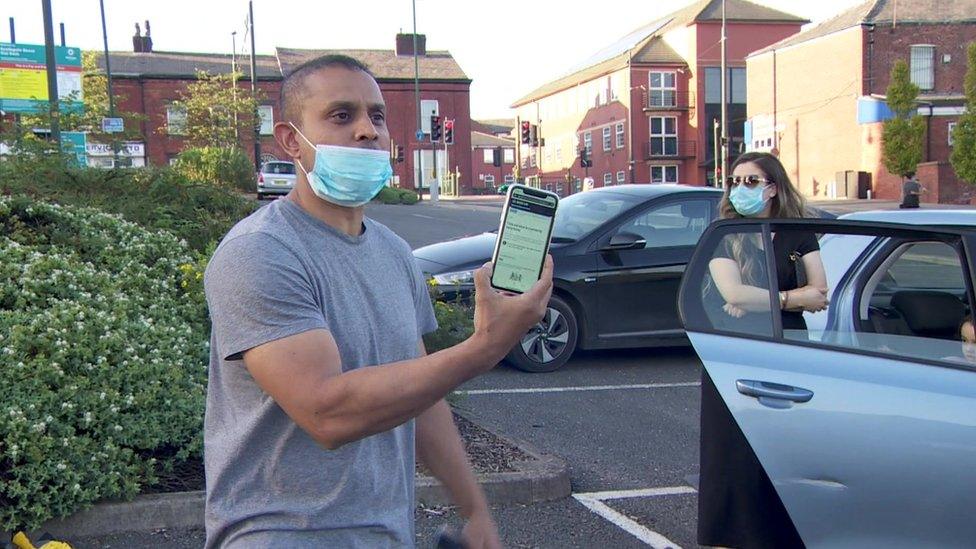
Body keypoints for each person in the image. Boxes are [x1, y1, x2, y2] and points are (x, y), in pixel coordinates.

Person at [202, 54, 553, 548]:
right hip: (281, 533)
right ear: (290, 142)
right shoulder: (259, 252)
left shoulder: (392, 252)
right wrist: (486, 346)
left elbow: (422, 397)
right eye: (342, 116)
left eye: (378, 116)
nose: (368, 130)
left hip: (384, 532)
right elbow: (326, 415)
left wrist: (474, 510)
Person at [698, 152, 829, 549]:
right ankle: (730, 537)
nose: (741, 190)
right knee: (732, 453)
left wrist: (765, 299)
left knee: (786, 445)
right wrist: (792, 297)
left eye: (751, 182)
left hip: (790, 349)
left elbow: (821, 292)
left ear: (773, 187)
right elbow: (732, 292)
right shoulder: (724, 232)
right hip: (734, 352)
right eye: (735, 182)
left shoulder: (797, 232)